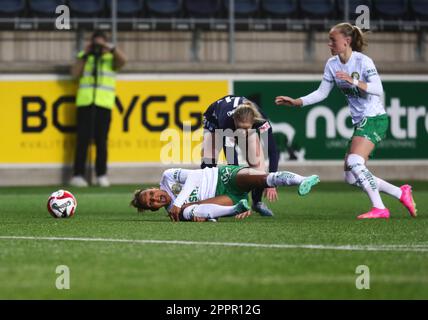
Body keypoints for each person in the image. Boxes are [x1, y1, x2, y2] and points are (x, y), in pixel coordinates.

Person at [275, 22, 417, 219]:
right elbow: (321, 93)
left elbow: (378, 89)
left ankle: (380, 208)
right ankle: (400, 193)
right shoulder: (332, 64)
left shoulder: (363, 61)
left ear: (347, 41)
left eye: (333, 40)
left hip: (374, 118)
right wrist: (297, 102)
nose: (329, 44)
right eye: (329, 40)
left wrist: (354, 81)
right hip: (361, 122)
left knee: (355, 161)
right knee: (350, 176)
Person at [130, 165, 320, 222]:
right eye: (151, 203)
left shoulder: (168, 176)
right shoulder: (175, 212)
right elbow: (204, 213)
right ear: (154, 209)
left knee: (263, 178)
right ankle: (235, 209)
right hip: (224, 199)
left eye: (151, 193)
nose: (155, 198)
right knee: (188, 213)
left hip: (223, 176)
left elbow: (195, 176)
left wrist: (180, 202)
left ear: (152, 187)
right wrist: (205, 217)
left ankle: (302, 180)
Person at [201, 95, 281, 217]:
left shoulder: (261, 120)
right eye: (240, 128)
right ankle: (204, 201)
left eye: (246, 129)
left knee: (258, 165)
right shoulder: (226, 123)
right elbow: (232, 162)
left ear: (253, 122)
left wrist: (271, 182)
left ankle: (257, 202)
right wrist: (240, 200)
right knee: (209, 162)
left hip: (238, 121)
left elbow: (273, 151)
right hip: (214, 118)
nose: (242, 133)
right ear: (234, 121)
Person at [69, 31, 126, 187]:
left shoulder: (110, 58)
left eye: (101, 43)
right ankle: (78, 175)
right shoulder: (85, 57)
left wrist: (109, 48)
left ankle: (101, 174)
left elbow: (123, 61)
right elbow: (74, 73)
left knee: (101, 141)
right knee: (82, 140)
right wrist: (85, 53)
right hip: (86, 103)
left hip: (104, 104)